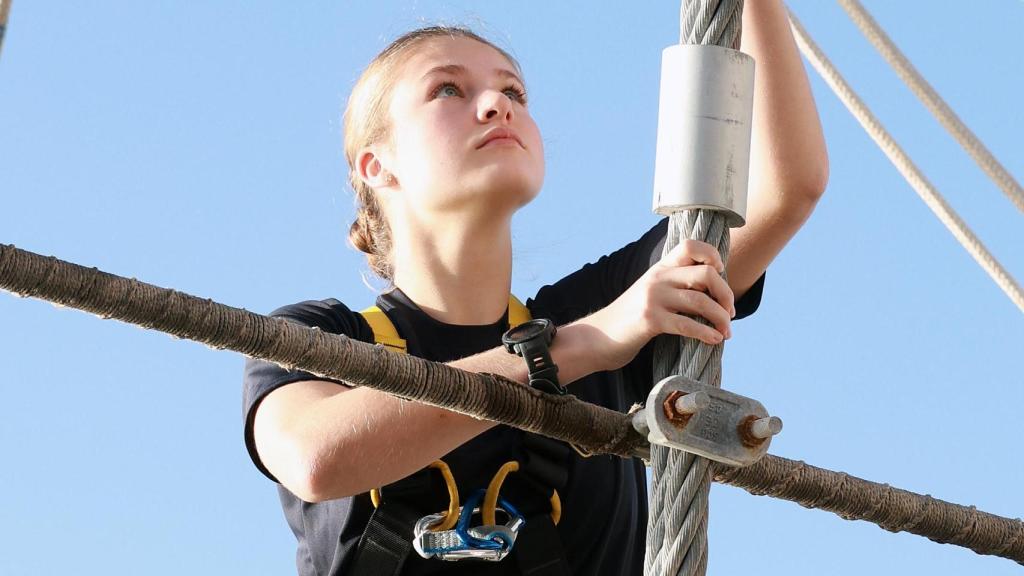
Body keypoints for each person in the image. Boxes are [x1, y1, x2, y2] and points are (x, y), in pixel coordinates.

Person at [242, 2, 828, 574]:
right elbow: (314, 457)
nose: (497, 104)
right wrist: (581, 347)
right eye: (448, 89)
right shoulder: (318, 337)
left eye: (515, 93)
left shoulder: (602, 307)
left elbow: (781, 188)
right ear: (377, 165)